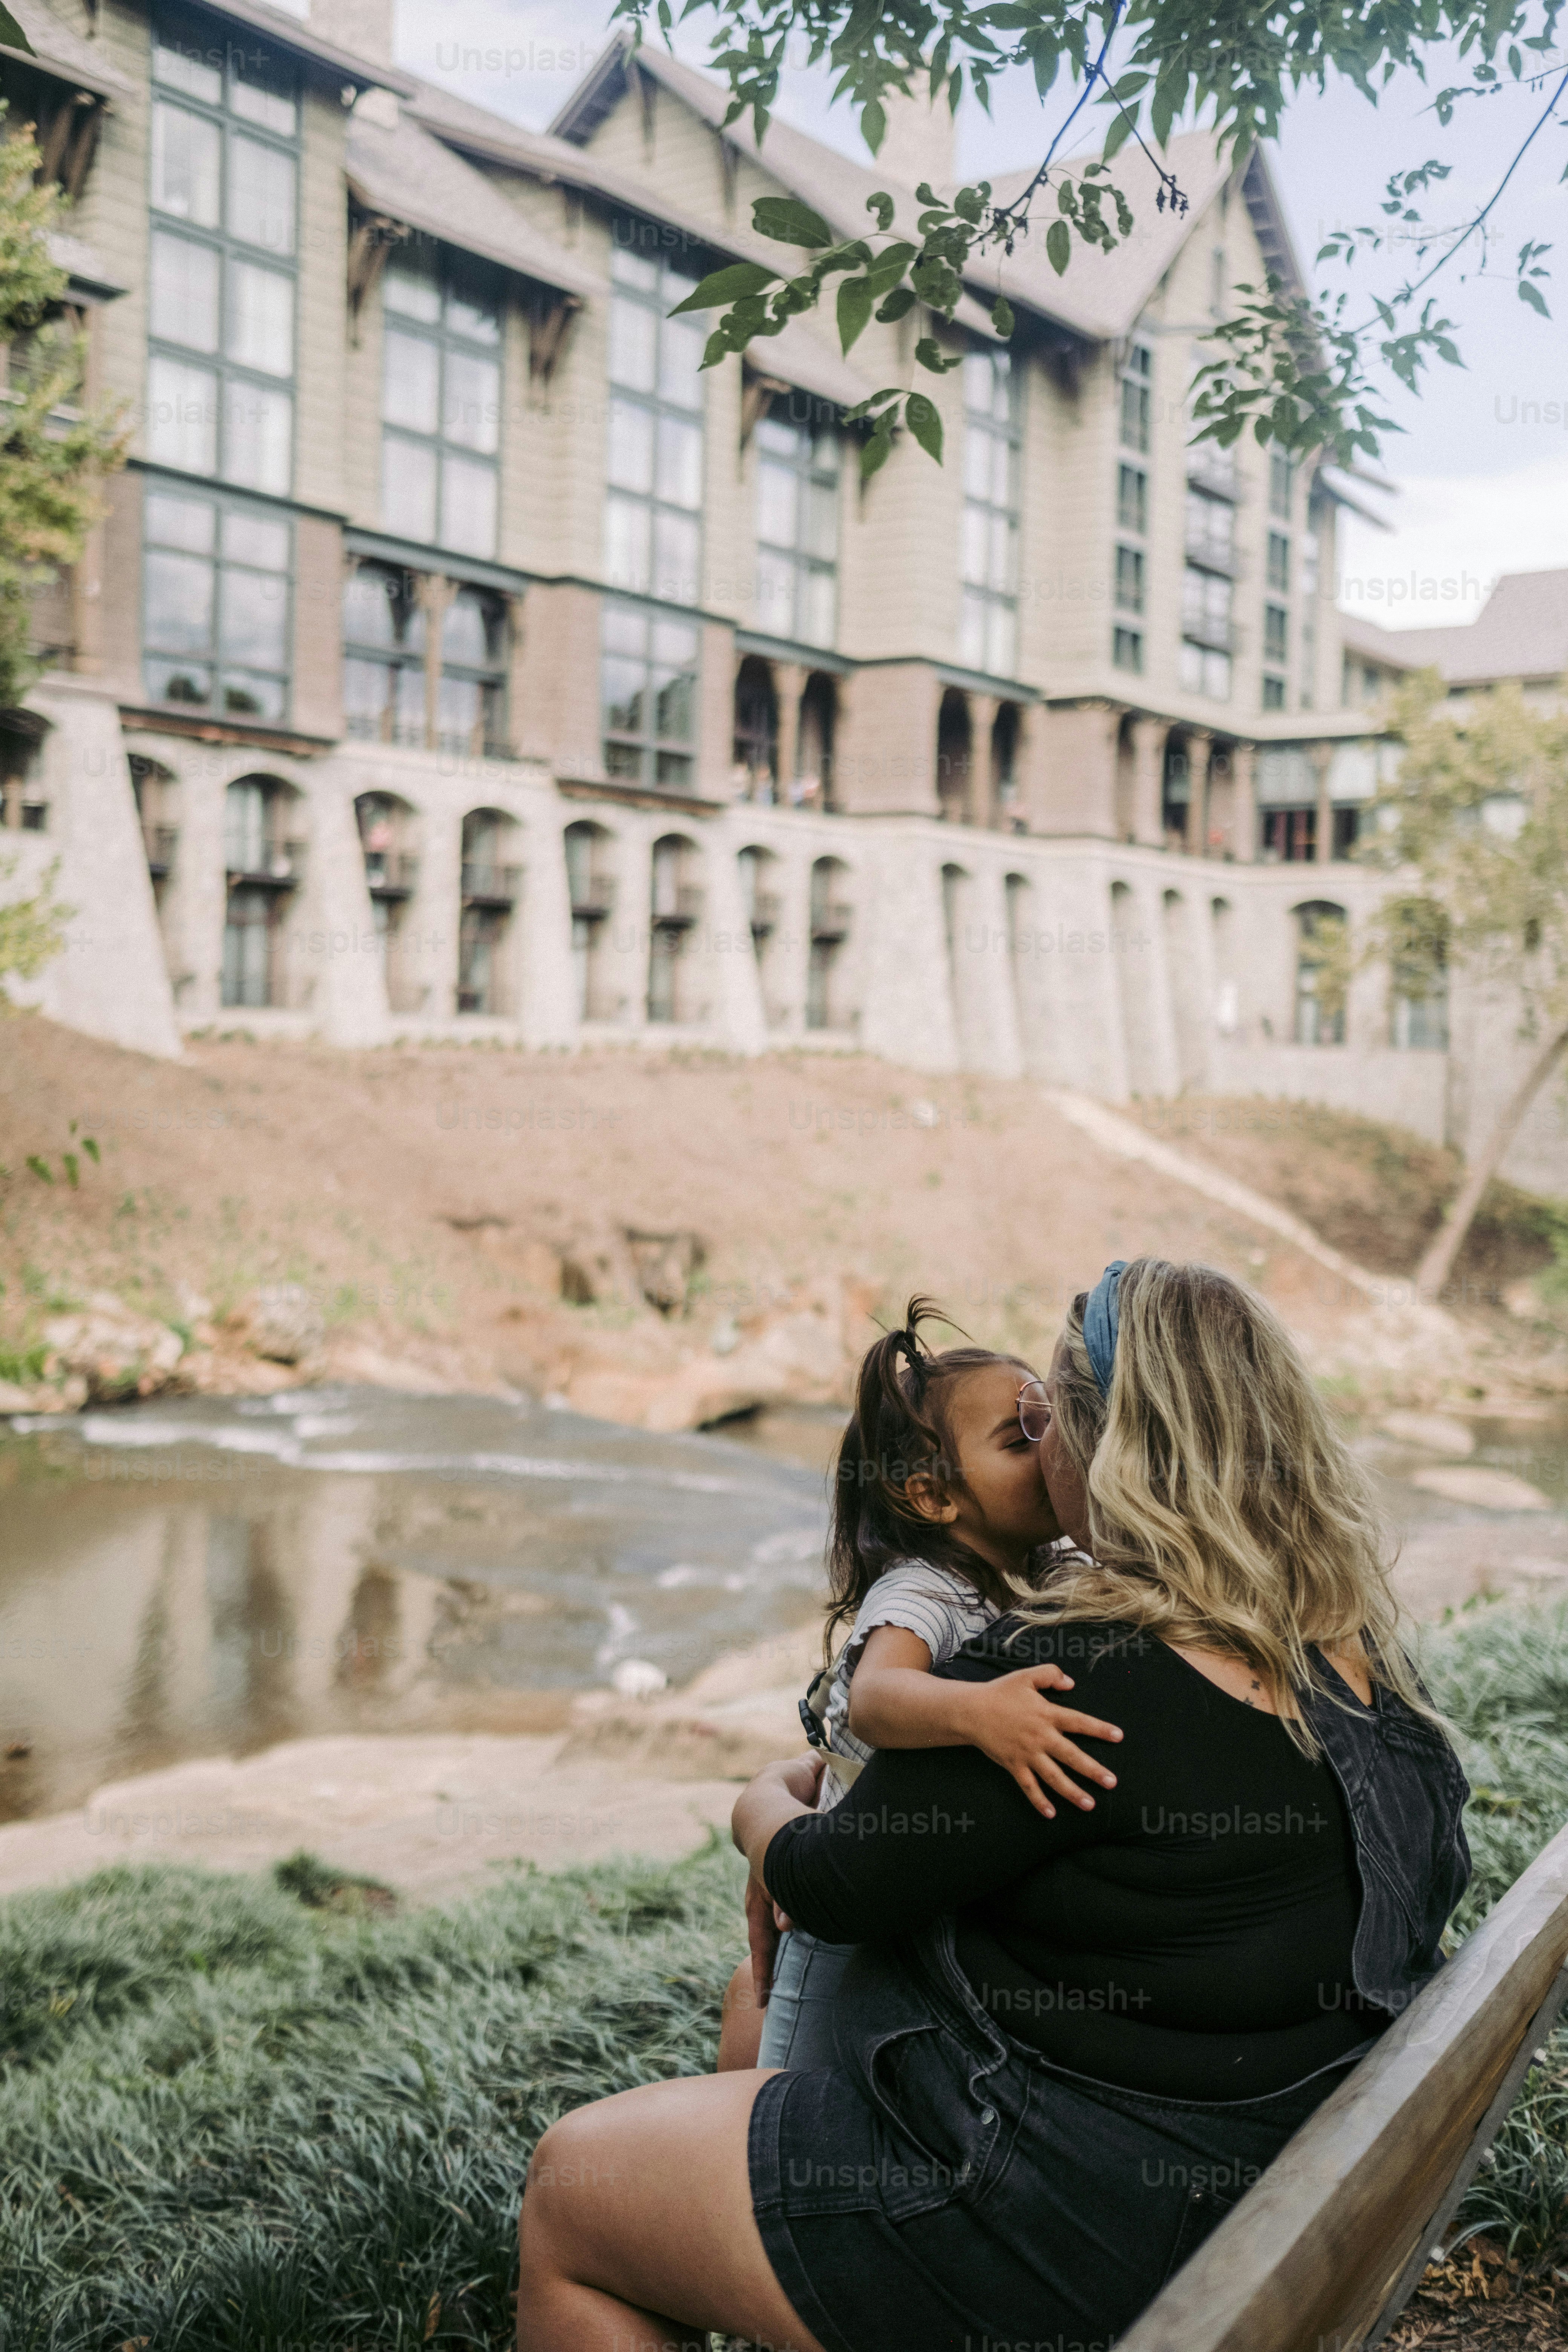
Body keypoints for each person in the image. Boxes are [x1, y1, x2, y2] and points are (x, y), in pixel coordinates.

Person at [515, 1259, 1471, 2352]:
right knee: (739, 2037)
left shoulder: (1072, 1681)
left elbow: (831, 1885)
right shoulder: (1356, 1650)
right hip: (1290, 2168)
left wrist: (756, 1806)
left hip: (1073, 2219)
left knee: (574, 2191)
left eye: (1046, 1417)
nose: (1042, 1437)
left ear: (1112, 1448)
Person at [718, 1297, 1125, 2076]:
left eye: (1051, 1422)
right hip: (842, 1886)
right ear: (933, 1496)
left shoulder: (1052, 1564)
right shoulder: (924, 1590)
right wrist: (980, 1711)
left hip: (921, 1877)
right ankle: (755, 2109)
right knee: (797, 2065)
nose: (1053, 1448)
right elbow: (877, 1699)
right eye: (1020, 1438)